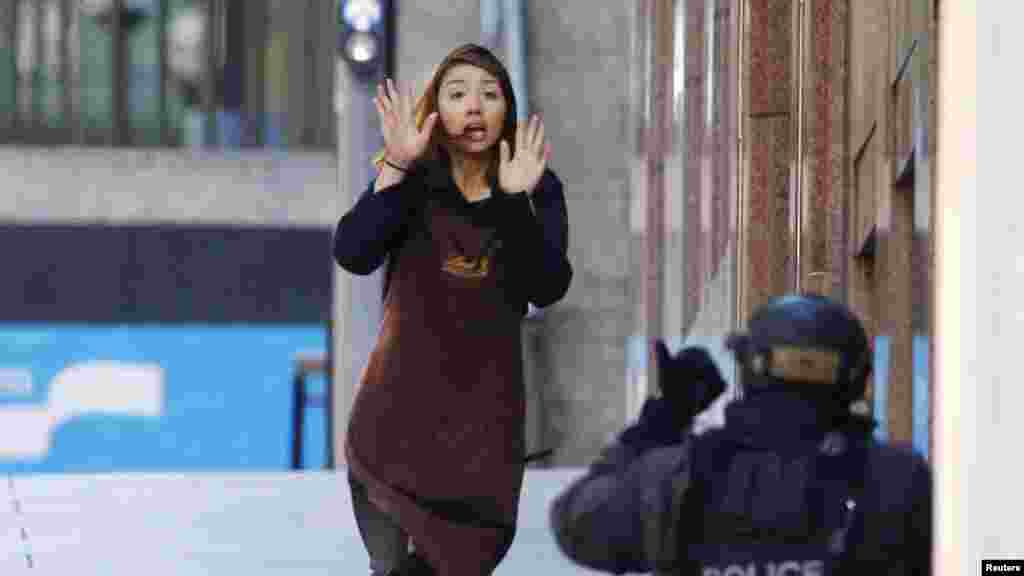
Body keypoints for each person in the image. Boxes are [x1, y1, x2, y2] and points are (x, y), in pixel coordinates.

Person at [333, 43, 572, 576]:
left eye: (490, 95)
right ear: (437, 109)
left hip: (481, 439)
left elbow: (547, 285)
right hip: (394, 423)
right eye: (458, 93)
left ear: (506, 110)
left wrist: (514, 202)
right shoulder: (413, 183)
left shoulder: (534, 186)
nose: (474, 107)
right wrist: (395, 164)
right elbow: (354, 253)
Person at [549, 294, 932, 575]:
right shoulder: (897, 478)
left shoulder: (678, 475)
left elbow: (577, 524)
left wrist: (667, 416)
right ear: (856, 379)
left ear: (749, 368)